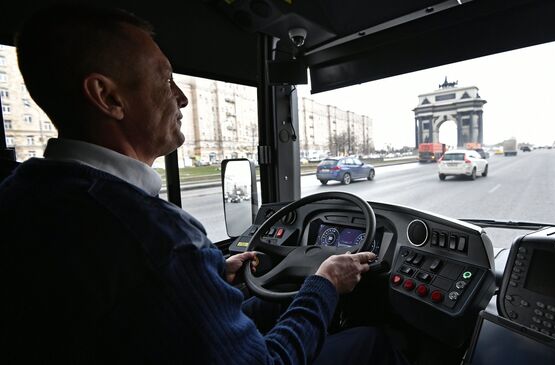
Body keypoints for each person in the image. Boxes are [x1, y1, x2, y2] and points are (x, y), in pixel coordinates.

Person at [0, 4, 407, 364]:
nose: (182, 98)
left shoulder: (21, 194)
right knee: (371, 340)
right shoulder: (158, 237)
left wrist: (206, 277)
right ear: (107, 97)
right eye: (165, 79)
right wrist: (325, 283)